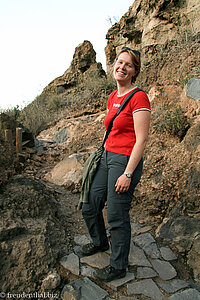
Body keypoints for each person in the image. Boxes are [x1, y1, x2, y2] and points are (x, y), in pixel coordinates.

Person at [80, 46, 151, 282]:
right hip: (107, 156)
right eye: (119, 62)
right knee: (90, 203)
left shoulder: (139, 96)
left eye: (128, 65)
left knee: (117, 215)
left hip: (124, 161)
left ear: (134, 71)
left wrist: (128, 174)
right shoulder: (113, 96)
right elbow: (112, 129)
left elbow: (141, 139)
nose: (122, 67)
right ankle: (100, 242)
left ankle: (118, 265)